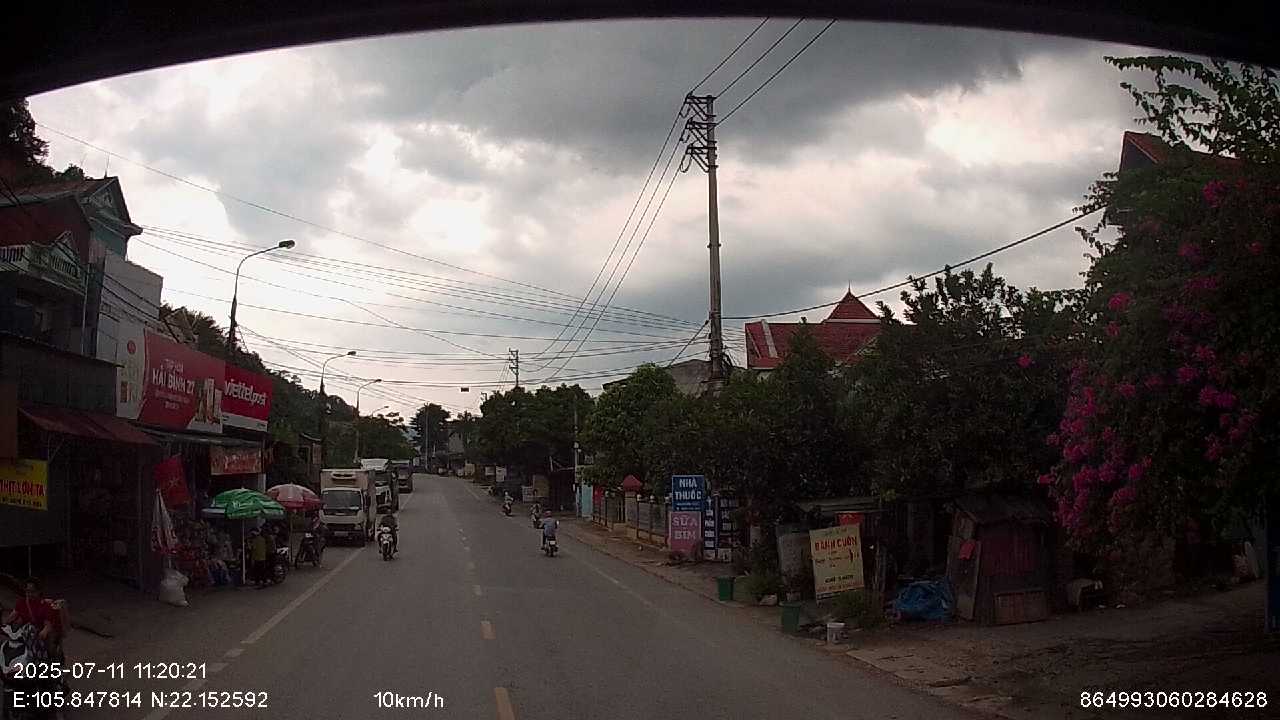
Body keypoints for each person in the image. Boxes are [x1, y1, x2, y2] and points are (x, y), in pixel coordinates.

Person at [2, 578, 62, 660]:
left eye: (32, 591)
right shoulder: (21, 602)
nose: (29, 594)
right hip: (23, 636)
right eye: (27, 591)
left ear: (39, 591)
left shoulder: (45, 606)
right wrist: (4, 626)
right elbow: (12, 616)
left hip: (38, 636)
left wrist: (44, 632)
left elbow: (48, 625)